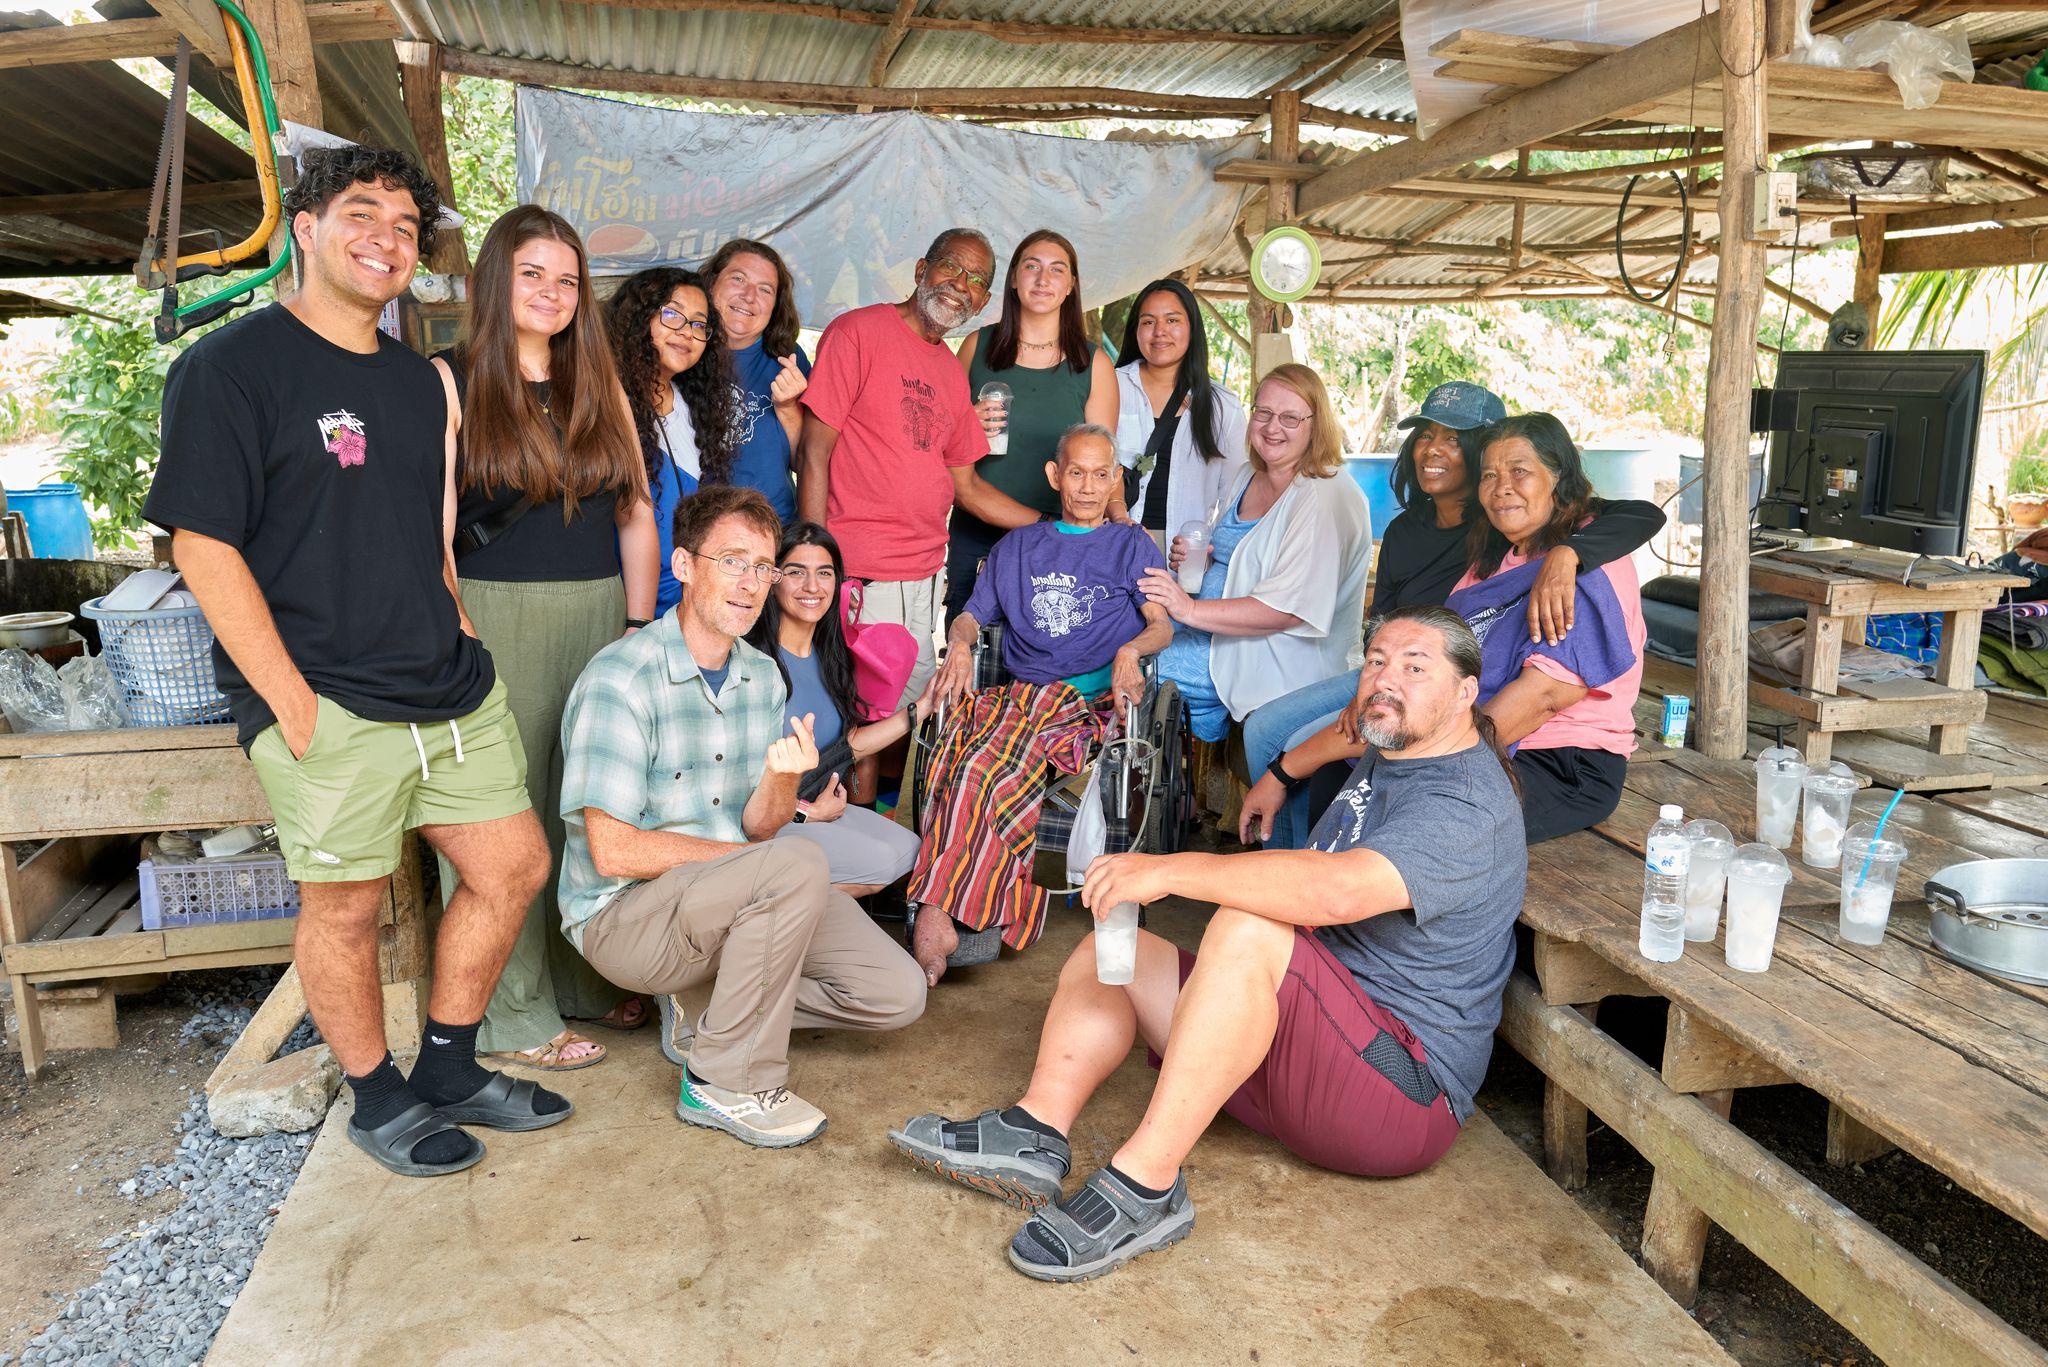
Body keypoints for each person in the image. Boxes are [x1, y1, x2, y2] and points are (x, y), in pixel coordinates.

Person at [144, 145, 570, 1179]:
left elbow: (429, 525)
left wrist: (460, 624)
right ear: (306, 227)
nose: (386, 240)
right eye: (362, 214)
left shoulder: (421, 379)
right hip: (326, 698)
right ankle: (377, 1095)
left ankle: (450, 1065)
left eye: (406, 227)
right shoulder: (231, 366)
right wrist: (287, 701)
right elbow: (202, 543)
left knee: (512, 865)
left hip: (446, 683)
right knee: (342, 904)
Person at [891, 606, 1528, 1281]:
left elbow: (1338, 893)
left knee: (1248, 921)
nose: (1385, 679)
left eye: (1414, 666)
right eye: (1376, 661)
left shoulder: (1468, 804)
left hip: (1397, 1096)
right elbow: (1343, 738)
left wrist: (1168, 869)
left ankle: (1147, 1185)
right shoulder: (1399, 741)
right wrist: (1280, 775)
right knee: (1113, 949)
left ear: (1466, 692)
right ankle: (1034, 1131)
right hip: (1293, 1047)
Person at [557, 484, 927, 1148]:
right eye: (731, 560)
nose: (751, 582)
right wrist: (759, 863)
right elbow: (611, 852)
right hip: (626, 917)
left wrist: (783, 785)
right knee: (796, 862)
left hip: (735, 898)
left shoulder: (761, 675)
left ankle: (708, 1013)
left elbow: (761, 825)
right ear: (681, 566)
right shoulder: (620, 679)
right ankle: (724, 1079)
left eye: (763, 565)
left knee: (895, 993)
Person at [1242, 382, 1665, 847]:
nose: (1502, 488)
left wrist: (1419, 751)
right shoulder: (1497, 553)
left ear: (1558, 478)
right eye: (1490, 475)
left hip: (1559, 759)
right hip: (1474, 722)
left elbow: (1541, 700)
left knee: (1401, 810)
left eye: (1519, 472)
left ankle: (1350, 908)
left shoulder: (1582, 572)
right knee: (1342, 775)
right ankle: (1309, 900)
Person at [431, 205, 657, 1072]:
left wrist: (636, 627)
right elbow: (432, 528)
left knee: (586, 803)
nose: (553, 293)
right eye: (534, 274)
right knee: (501, 817)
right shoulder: (449, 381)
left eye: (567, 280)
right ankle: (509, 1011)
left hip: (601, 613)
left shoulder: (599, 386)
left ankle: (585, 975)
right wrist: (459, 631)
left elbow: (635, 513)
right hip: (495, 614)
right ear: (496, 278)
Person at [909, 424, 1171, 984]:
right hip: (1021, 696)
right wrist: (957, 642)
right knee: (953, 753)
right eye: (1077, 472)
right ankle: (955, 908)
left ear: (1115, 480)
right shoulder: (1020, 545)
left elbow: (1162, 627)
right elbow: (970, 615)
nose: (1088, 486)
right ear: (1056, 476)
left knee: (981, 767)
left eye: (1101, 474)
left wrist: (1132, 648)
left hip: (1087, 704)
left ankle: (936, 913)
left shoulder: (1131, 545)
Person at [797, 227, 1043, 708]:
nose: (959, 283)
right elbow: (812, 452)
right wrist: (814, 561)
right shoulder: (857, 333)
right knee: (850, 719)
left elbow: (967, 487)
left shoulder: (951, 372)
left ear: (983, 300)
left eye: (974, 278)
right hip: (860, 575)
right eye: (950, 266)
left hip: (924, 579)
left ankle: (885, 790)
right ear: (920, 270)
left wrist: (1051, 525)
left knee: (905, 714)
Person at [1147, 364, 1371, 742]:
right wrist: (1197, 560)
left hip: (1269, 658)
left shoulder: (1325, 496)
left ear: (1317, 425)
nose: (1272, 427)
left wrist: (1188, 609)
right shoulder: (1249, 474)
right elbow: (1236, 558)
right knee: (1117, 631)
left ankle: (1124, 787)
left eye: (1289, 418)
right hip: (1215, 633)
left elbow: (1285, 610)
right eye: (1263, 413)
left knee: (1142, 670)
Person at [745, 521, 931, 894]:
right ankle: (764, 904)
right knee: (880, 863)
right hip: (766, 821)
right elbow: (737, 778)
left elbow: (847, 745)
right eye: (797, 572)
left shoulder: (829, 656)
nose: (812, 587)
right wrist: (803, 813)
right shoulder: (754, 660)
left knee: (910, 851)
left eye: (824, 573)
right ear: (773, 578)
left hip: (816, 807)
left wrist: (920, 710)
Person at [948, 229, 1119, 620]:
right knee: (973, 667)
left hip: (1062, 548)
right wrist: (964, 426)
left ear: (1072, 286)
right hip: (978, 539)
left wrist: (1118, 512)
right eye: (1032, 266)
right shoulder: (977, 347)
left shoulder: (1093, 364)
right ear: (1013, 278)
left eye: (1057, 270)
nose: (1043, 279)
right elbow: (946, 452)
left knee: (1050, 671)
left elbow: (1105, 467)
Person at [608, 266, 738, 616]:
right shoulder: (606, 401)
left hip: (691, 606)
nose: (687, 332)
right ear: (639, 319)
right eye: (672, 315)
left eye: (698, 324)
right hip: (627, 604)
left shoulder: (697, 409)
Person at [1108, 278, 1250, 537]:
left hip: (1183, 554)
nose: (1159, 331)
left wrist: (1206, 551)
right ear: (1136, 330)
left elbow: (1235, 495)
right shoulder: (1109, 385)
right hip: (1115, 539)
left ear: (1192, 328)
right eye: (1148, 322)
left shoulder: (1223, 405)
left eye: (1172, 320)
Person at [704, 239, 809, 522]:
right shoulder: (682, 346)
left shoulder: (789, 360)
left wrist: (788, 407)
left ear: (776, 305)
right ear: (712, 282)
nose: (749, 296)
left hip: (771, 531)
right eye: (738, 279)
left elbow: (807, 464)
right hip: (693, 530)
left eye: (765, 289)